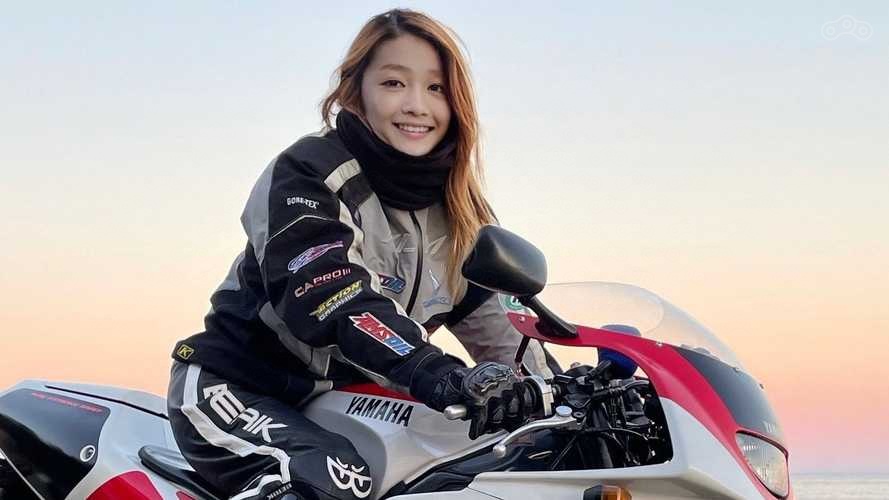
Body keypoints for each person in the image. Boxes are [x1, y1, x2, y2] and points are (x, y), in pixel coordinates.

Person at [167, 9, 556, 500]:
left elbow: (503, 332)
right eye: (394, 83)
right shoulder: (308, 172)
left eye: (436, 88)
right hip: (238, 384)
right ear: (356, 92)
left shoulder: (461, 215)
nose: (416, 104)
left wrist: (561, 394)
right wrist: (437, 373)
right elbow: (331, 296)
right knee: (336, 480)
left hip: (349, 405)